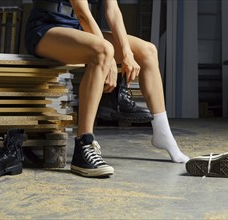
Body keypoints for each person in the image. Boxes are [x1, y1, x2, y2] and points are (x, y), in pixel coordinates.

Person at [25, 0, 189, 178]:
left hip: (77, 27)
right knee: (103, 50)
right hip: (47, 28)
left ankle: (163, 133)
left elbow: (113, 10)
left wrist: (127, 53)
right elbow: (82, 12)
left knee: (148, 51)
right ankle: (84, 144)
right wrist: (110, 59)